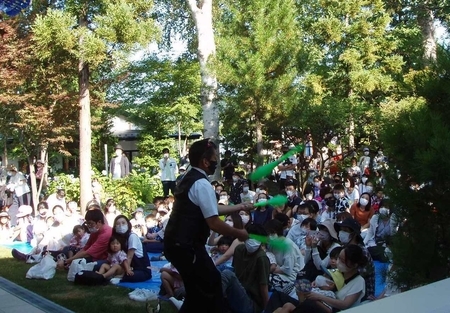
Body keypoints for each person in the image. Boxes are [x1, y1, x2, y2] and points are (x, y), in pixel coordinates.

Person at [163, 138, 251, 313]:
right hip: (186, 246)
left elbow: (210, 208)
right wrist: (238, 232)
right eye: (215, 157)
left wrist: (240, 206)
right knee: (210, 285)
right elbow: (213, 222)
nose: (217, 161)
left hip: (176, 244)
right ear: (205, 161)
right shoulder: (201, 184)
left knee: (198, 289)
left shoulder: (189, 178)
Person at [267, 244, 368, 313]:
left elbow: (344, 305)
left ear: (354, 265)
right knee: (279, 296)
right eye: (338, 259)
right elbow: (321, 282)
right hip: (319, 301)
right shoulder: (337, 272)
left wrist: (319, 297)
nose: (338, 262)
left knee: (299, 305)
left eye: (342, 260)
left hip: (331, 309)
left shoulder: (359, 281)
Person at [221, 223, 271, 313]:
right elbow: (236, 271)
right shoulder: (239, 250)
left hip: (251, 303)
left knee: (227, 274)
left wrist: (268, 309)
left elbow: (264, 287)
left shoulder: (261, 258)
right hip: (236, 294)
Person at [334, 218, 375, 300]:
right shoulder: (345, 247)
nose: (342, 232)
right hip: (346, 286)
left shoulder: (362, 252)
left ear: (354, 234)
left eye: (345, 230)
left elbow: (354, 276)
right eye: (341, 230)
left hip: (362, 294)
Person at [111, 215, 152, 283]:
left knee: (130, 275)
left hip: (141, 270)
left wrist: (122, 273)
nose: (121, 226)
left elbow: (129, 257)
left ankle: (120, 277)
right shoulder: (118, 239)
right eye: (118, 224)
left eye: (123, 223)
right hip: (129, 266)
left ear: (128, 224)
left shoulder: (132, 236)